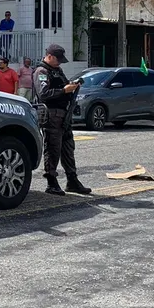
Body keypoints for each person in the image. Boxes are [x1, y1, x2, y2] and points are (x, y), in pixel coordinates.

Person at [34, 43, 91, 196]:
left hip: (63, 115)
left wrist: (72, 86)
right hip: (51, 114)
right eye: (57, 59)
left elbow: (65, 86)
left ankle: (72, 180)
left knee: (68, 148)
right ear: (50, 56)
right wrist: (63, 90)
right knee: (53, 149)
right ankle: (51, 182)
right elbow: (44, 94)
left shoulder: (57, 71)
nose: (59, 62)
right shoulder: (41, 71)